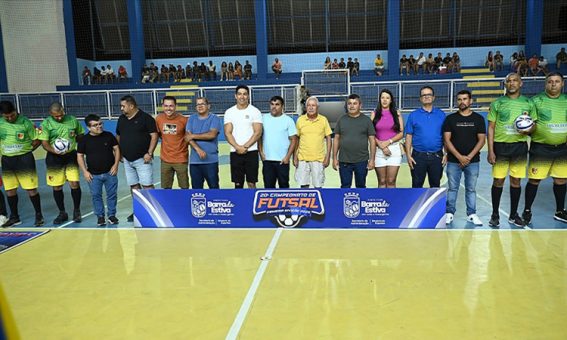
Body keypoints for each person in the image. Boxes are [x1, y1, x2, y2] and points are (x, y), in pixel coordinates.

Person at [486, 73, 536, 228]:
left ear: (520, 83)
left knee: (516, 181)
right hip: (501, 146)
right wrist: (490, 150)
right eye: (509, 81)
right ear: (505, 84)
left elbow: (534, 125)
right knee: (498, 180)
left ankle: (513, 215)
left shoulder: (528, 103)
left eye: (515, 80)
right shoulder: (497, 103)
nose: (512, 83)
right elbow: (491, 128)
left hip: (519, 146)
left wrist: (528, 130)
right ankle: (495, 214)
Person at [522, 72, 567, 225]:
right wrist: (527, 128)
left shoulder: (566, 100)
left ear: (562, 84)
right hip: (541, 149)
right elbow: (529, 124)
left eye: (557, 81)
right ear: (545, 84)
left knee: (561, 180)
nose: (553, 84)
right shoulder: (535, 101)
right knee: (534, 180)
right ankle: (527, 210)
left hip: (562, 148)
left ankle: (560, 211)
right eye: (550, 82)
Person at [443, 90, 486, 226]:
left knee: (471, 188)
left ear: (470, 101)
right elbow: (447, 140)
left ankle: (471, 214)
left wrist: (468, 157)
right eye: (459, 99)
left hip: (472, 162)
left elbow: (481, 140)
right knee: (452, 188)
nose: (462, 102)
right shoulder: (450, 119)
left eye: (465, 99)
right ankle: (449, 213)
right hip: (453, 161)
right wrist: (459, 157)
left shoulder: (478, 119)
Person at [39, 102, 85, 224]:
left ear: (63, 111)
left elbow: (81, 135)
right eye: (56, 116)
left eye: (60, 115)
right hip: (54, 158)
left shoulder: (72, 120)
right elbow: (44, 143)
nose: (59, 118)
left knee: (74, 183)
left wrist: (76, 139)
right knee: (57, 186)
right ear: (51, 114)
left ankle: (76, 211)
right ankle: (62, 212)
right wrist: (54, 151)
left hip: (70, 156)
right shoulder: (46, 124)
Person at [0, 101, 44, 227]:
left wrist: (28, 151)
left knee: (31, 189)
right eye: (6, 116)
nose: (9, 118)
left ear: (15, 111)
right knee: (10, 190)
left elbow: (37, 139)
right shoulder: (0, 123)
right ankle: (14, 217)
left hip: (24, 160)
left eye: (12, 115)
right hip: (7, 160)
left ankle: (38, 215)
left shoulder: (26, 122)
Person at [116, 95, 158, 222]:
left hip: (142, 159)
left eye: (123, 106)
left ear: (131, 105)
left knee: (147, 185)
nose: (121, 109)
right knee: (134, 185)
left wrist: (149, 153)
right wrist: (120, 153)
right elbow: (118, 136)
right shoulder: (121, 119)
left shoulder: (146, 118)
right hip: (127, 160)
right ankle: (138, 210)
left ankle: (154, 211)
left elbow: (154, 136)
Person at [77, 114, 120, 226]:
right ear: (88, 127)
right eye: (95, 125)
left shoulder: (109, 136)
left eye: (100, 124)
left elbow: (116, 149)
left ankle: (111, 215)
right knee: (96, 195)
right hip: (93, 175)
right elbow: (80, 156)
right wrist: (85, 171)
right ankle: (100, 217)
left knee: (112, 195)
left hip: (110, 173)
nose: (99, 126)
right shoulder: (84, 140)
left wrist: (116, 165)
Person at [405, 86, 447, 188]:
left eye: (429, 95)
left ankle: (433, 204)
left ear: (433, 97)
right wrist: (408, 155)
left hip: (437, 156)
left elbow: (446, 136)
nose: (426, 97)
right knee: (416, 186)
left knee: (435, 186)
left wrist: (446, 153)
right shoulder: (413, 115)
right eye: (424, 95)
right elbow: (409, 136)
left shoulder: (441, 115)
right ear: (420, 98)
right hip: (418, 157)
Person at [332, 94, 376, 188]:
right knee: (345, 186)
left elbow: (372, 140)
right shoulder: (341, 120)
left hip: (361, 160)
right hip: (344, 161)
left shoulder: (366, 120)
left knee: (361, 186)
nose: (352, 106)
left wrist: (372, 159)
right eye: (349, 104)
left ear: (360, 105)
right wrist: (335, 158)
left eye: (355, 103)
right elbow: (336, 139)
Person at [223, 85, 263, 188]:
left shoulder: (255, 111)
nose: (242, 96)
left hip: (251, 152)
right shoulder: (229, 112)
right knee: (238, 183)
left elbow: (257, 132)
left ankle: (252, 203)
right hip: (235, 152)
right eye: (240, 94)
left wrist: (245, 147)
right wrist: (237, 147)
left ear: (248, 96)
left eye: (245, 94)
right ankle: (239, 204)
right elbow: (228, 132)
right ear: (235, 96)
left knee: (251, 183)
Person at [258, 96, 298, 188]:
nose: (274, 107)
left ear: (282, 106)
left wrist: (287, 157)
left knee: (284, 186)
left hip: (282, 161)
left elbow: (294, 140)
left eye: (277, 104)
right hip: (267, 160)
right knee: (268, 187)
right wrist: (261, 152)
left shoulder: (288, 120)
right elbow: (259, 136)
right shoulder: (263, 119)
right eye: (272, 104)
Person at [294, 96, 332, 188]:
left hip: (318, 160)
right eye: (309, 105)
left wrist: (327, 157)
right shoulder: (300, 120)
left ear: (317, 107)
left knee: (318, 186)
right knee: (303, 186)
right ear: (306, 107)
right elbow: (296, 139)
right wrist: (295, 157)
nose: (311, 108)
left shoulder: (323, 120)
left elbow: (328, 138)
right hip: (302, 159)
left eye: (313, 105)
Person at [185, 97, 222, 189]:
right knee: (196, 190)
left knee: (214, 188)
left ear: (208, 106)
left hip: (211, 161)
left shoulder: (214, 118)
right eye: (198, 104)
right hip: (195, 162)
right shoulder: (192, 118)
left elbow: (212, 135)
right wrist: (198, 149)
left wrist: (193, 136)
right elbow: (187, 137)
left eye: (202, 104)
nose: (200, 106)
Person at [371, 89, 404, 188]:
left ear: (391, 100)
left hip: (394, 150)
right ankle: (382, 202)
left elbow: (401, 133)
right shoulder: (374, 114)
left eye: (387, 98)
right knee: (381, 181)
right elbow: (371, 133)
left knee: (391, 181)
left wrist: (388, 142)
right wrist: (381, 145)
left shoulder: (396, 113)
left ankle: (392, 203)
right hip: (378, 150)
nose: (385, 100)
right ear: (379, 99)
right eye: (382, 97)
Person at [155, 96, 189, 189]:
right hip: (165, 160)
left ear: (175, 106)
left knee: (184, 187)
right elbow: (157, 136)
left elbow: (189, 138)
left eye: (171, 106)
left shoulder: (184, 120)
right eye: (166, 106)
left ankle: (184, 203)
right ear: (162, 106)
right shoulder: (158, 119)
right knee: (165, 189)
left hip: (181, 160)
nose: (168, 108)